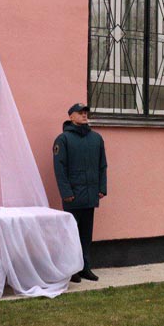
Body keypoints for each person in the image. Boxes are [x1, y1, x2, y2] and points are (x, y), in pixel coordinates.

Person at [53, 103, 107, 283]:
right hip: (73, 196)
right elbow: (59, 169)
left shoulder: (96, 139)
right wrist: (66, 192)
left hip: (90, 194)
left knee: (86, 234)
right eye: (80, 113)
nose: (84, 115)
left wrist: (102, 188)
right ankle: (71, 270)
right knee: (71, 234)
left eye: (86, 113)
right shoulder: (63, 140)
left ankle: (85, 267)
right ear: (71, 117)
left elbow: (102, 165)